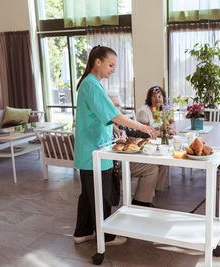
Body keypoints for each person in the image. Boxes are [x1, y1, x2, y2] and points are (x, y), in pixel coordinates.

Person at [73, 45, 157, 246]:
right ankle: (107, 236)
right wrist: (142, 128)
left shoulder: (91, 83)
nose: (113, 69)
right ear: (98, 61)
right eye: (110, 65)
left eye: (115, 66)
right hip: (94, 150)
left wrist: (117, 128)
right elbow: (113, 114)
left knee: (88, 194)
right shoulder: (92, 84)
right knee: (100, 196)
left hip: (90, 149)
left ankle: (82, 232)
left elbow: (102, 116)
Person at [109, 93, 168, 206]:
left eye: (117, 105)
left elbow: (136, 132)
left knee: (160, 160)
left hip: (125, 160)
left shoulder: (121, 125)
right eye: (112, 105)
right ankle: (140, 203)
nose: (115, 109)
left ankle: (148, 195)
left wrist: (157, 132)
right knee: (151, 168)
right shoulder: (107, 126)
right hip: (114, 166)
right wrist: (120, 141)